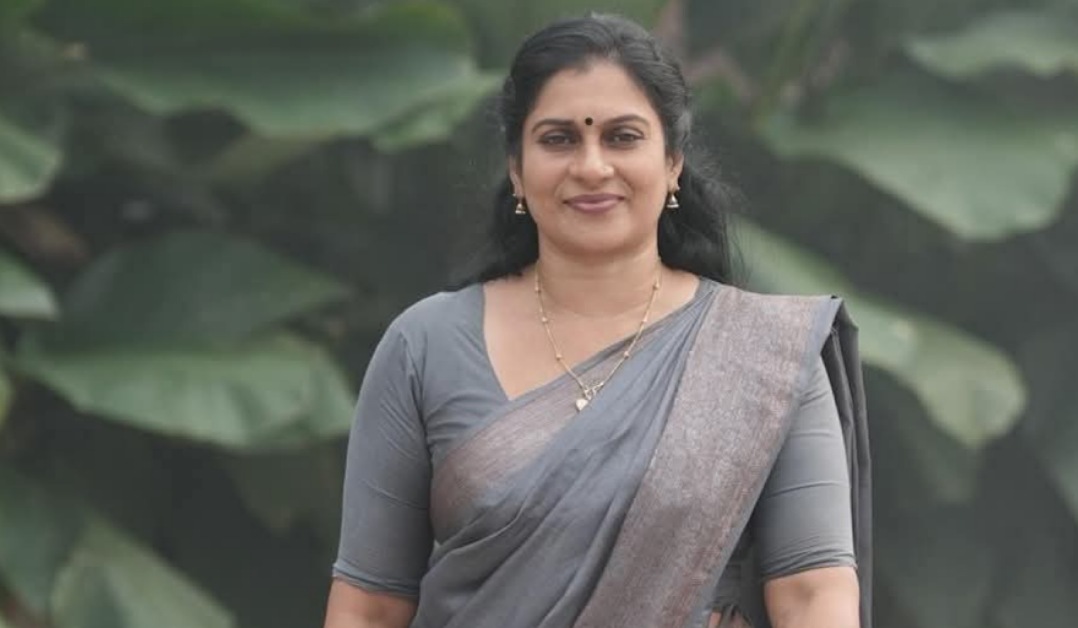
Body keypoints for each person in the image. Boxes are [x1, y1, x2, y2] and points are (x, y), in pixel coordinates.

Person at [323, 13, 870, 628]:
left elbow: (813, 597)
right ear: (516, 169)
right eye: (558, 139)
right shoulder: (424, 346)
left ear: (672, 163)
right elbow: (368, 608)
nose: (591, 166)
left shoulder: (763, 357)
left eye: (622, 137)